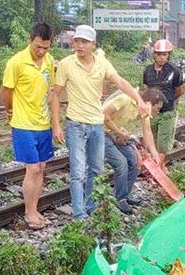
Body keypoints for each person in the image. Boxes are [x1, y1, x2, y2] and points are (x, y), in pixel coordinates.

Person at [50, 25, 150, 220]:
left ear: (93, 45)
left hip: (97, 125)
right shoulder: (66, 64)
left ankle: (91, 205)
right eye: (77, 41)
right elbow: (55, 95)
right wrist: (56, 124)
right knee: (78, 171)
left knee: (96, 169)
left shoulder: (103, 63)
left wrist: (138, 100)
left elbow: (120, 82)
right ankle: (79, 213)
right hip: (75, 124)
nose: (79, 45)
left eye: (84, 42)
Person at [1, 22, 55, 230]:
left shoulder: (49, 61)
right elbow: (6, 91)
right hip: (23, 123)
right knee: (32, 168)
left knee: (41, 167)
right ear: (29, 41)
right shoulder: (16, 62)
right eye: (37, 47)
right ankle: (29, 212)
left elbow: (49, 89)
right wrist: (10, 110)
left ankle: (34, 208)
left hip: (43, 123)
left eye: (45, 47)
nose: (41, 51)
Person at [103, 88, 165, 214]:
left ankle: (124, 195)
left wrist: (154, 155)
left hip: (116, 134)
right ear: (148, 103)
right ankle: (120, 199)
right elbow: (104, 115)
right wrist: (119, 132)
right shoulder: (125, 99)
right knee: (121, 163)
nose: (157, 112)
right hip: (100, 132)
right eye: (157, 108)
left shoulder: (143, 111)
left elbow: (147, 132)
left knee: (136, 163)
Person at [143, 39, 185, 170]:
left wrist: (169, 100)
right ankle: (158, 166)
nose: (162, 57)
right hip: (151, 112)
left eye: (165, 54)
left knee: (164, 142)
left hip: (167, 112)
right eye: (159, 54)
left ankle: (157, 168)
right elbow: (145, 89)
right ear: (154, 54)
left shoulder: (175, 71)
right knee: (153, 141)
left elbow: (179, 90)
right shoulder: (147, 71)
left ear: (168, 55)